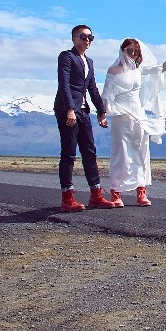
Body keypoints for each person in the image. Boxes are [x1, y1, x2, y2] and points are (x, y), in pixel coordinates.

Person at [101, 38, 166, 207]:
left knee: (141, 153)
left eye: (135, 51)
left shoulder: (139, 70)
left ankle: (141, 192)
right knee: (121, 154)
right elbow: (106, 95)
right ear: (122, 50)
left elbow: (161, 69)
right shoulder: (113, 71)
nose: (132, 54)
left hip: (138, 116)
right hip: (120, 116)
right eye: (129, 50)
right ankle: (116, 193)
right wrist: (103, 114)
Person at [54, 24, 118, 212]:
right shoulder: (66, 56)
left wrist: (101, 110)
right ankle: (67, 198)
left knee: (90, 152)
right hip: (68, 110)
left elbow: (92, 88)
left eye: (91, 37)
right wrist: (69, 109)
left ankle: (96, 195)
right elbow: (64, 83)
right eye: (83, 37)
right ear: (74, 38)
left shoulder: (89, 62)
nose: (87, 40)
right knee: (69, 154)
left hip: (83, 111)